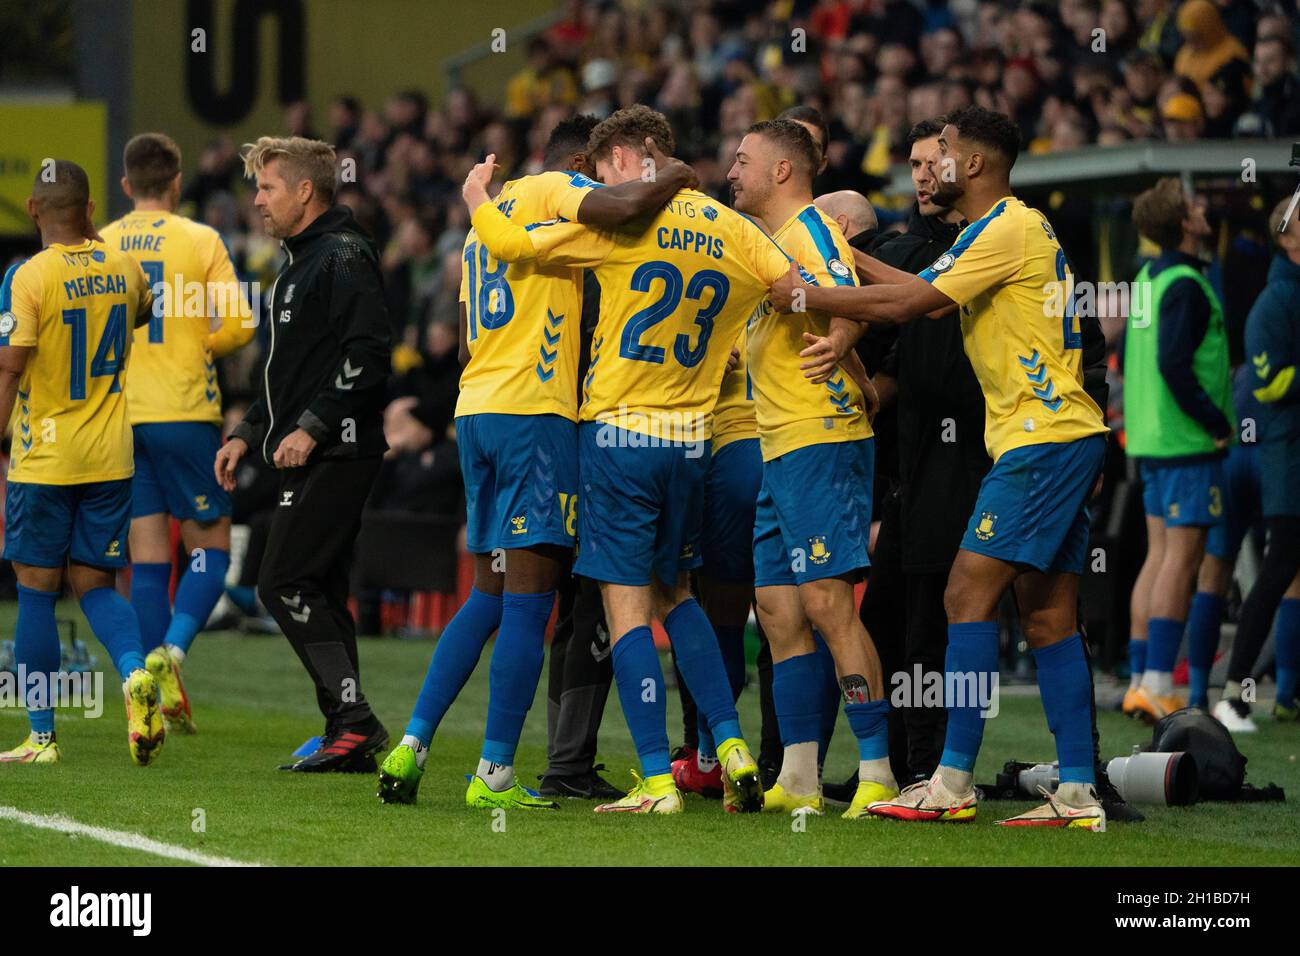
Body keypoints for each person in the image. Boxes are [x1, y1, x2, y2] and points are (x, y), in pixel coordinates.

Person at [771, 106, 1111, 830]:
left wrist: (807, 294)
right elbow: (918, 282)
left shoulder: (1006, 228)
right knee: (1048, 616)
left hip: (1040, 439)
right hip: (1062, 436)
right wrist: (847, 254)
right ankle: (1078, 793)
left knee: (965, 592)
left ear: (976, 165)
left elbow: (916, 302)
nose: (929, 165)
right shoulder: (1004, 230)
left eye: (943, 152)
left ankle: (951, 781)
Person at [464, 105, 788, 815]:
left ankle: (654, 779)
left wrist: (476, 202)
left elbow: (512, 247)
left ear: (633, 156)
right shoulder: (734, 228)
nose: (596, 177)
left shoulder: (617, 223)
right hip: (693, 442)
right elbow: (792, 290)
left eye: (604, 163)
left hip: (617, 434)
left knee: (627, 608)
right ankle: (729, 745)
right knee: (679, 594)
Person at [375, 114, 692, 808]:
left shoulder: (488, 221)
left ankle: (412, 744)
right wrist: (672, 172)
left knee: (488, 591)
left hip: (476, 411)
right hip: (535, 416)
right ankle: (494, 773)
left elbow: (462, 348)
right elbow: (627, 204)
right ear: (582, 162)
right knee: (530, 600)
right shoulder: (557, 193)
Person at [729, 119, 894, 820]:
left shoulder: (813, 228)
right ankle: (799, 774)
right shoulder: (772, 245)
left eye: (743, 160)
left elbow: (844, 296)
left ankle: (878, 772)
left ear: (783, 172)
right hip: (779, 444)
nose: (731, 170)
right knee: (777, 610)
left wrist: (840, 340)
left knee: (827, 603)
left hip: (821, 438)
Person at [215, 136, 393, 773]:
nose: (256, 200)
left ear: (305, 191)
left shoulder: (342, 255)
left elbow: (368, 354)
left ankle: (354, 721)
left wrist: (315, 426)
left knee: (280, 579)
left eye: (266, 188)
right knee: (318, 585)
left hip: (339, 450)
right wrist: (246, 430)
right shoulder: (299, 262)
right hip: (311, 450)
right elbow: (286, 375)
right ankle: (343, 730)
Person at [0, 161, 163, 766]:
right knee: (95, 583)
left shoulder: (27, 277)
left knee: (36, 593)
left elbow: (11, 367)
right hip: (112, 454)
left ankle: (41, 737)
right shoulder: (124, 263)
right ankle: (133, 673)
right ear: (91, 210)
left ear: (32, 208)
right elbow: (141, 313)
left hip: (45, 456)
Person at [100, 132, 254, 734]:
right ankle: (173, 654)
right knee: (210, 547)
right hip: (185, 412)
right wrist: (201, 344)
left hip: (120, 415)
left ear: (125, 185)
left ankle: (147, 690)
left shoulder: (104, 244)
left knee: (146, 560)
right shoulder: (201, 239)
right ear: (178, 182)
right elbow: (240, 327)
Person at [1123, 177, 1231, 723]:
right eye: (1193, 204)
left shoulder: (1147, 277)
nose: (1202, 208)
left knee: (1158, 555)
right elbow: (1174, 363)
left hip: (1148, 436)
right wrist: (1215, 422)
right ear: (1183, 223)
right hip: (1186, 438)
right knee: (1180, 561)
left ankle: (1142, 678)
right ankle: (1162, 683)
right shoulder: (1187, 282)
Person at [1216, 195, 1300, 731]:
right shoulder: (1274, 303)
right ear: (1288, 238)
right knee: (1276, 570)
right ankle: (1232, 694)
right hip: (1286, 455)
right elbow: (1270, 384)